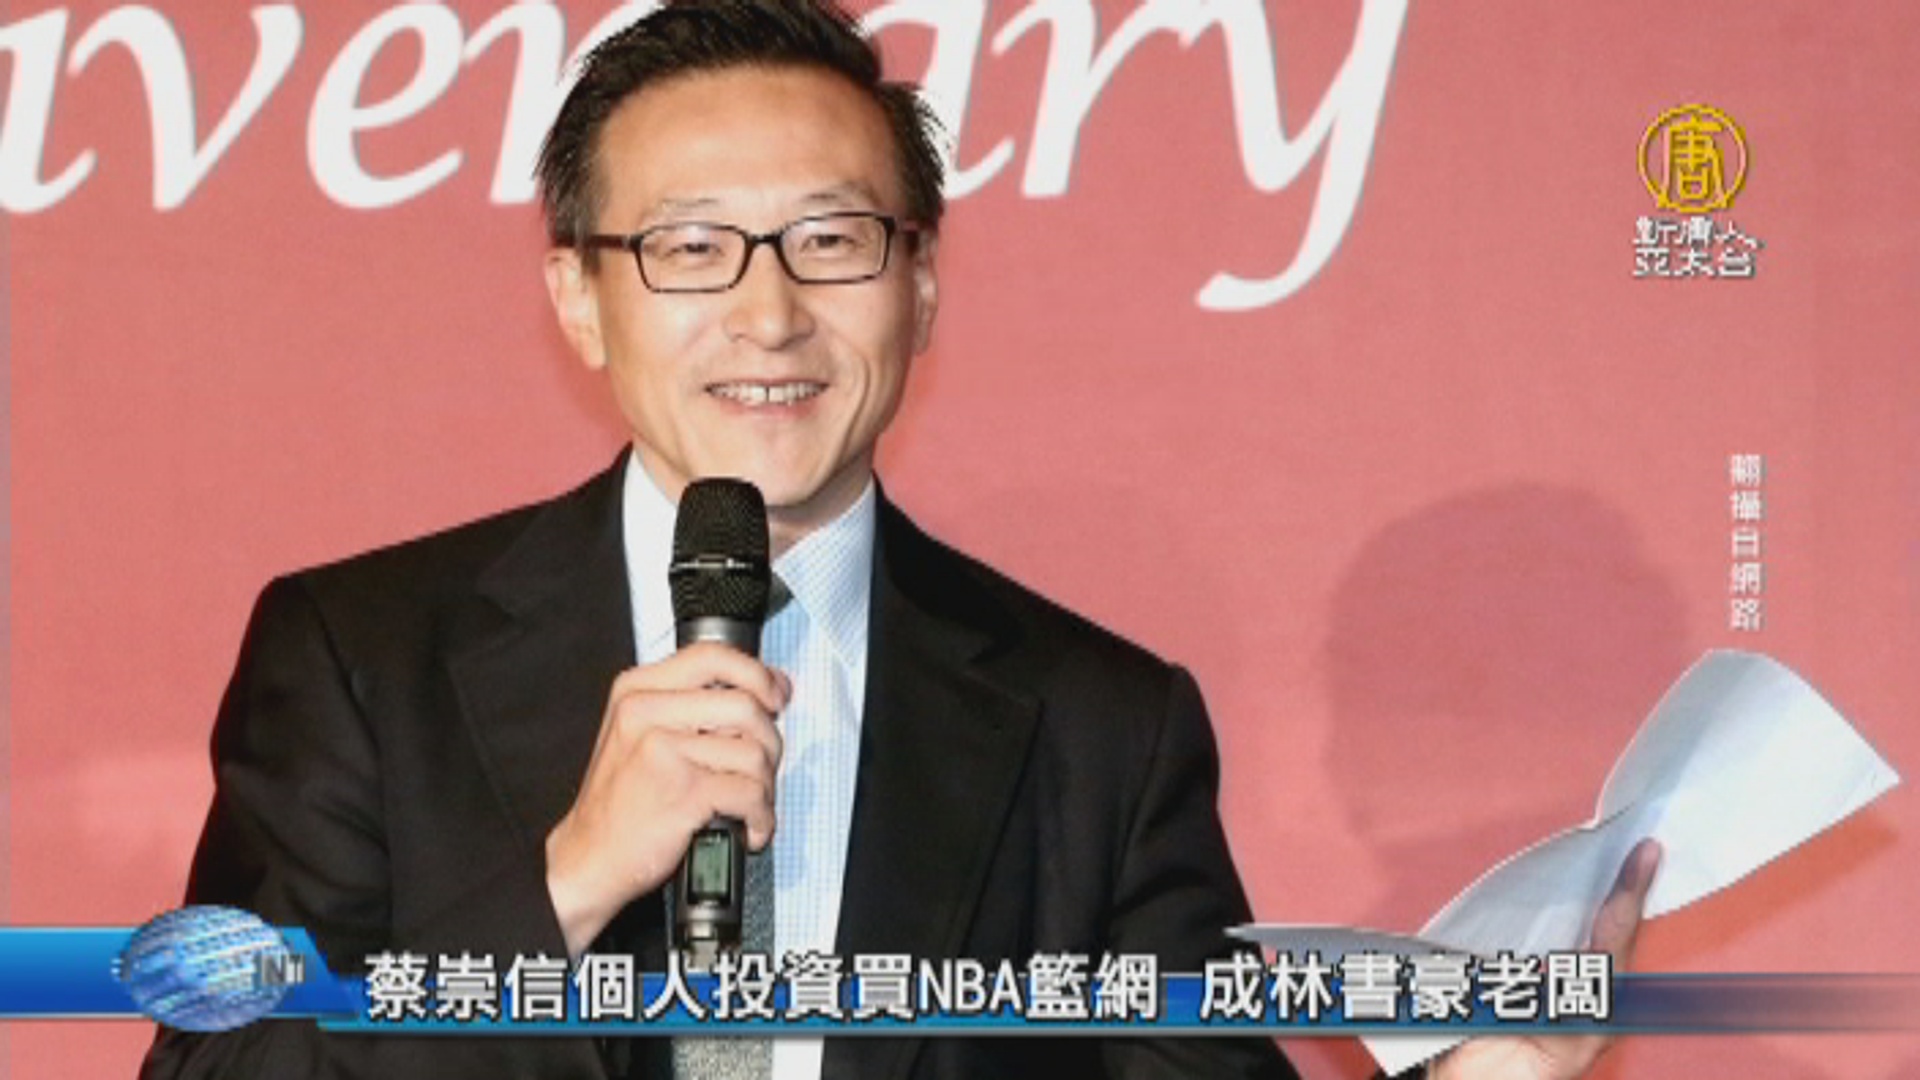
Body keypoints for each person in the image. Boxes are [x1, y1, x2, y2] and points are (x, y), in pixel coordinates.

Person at [142, 2, 1657, 1078]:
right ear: (579, 299)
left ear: (920, 289)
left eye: (831, 240)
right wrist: (567, 886)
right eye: (689, 247)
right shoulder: (360, 657)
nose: (768, 312)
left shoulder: (1100, 726)